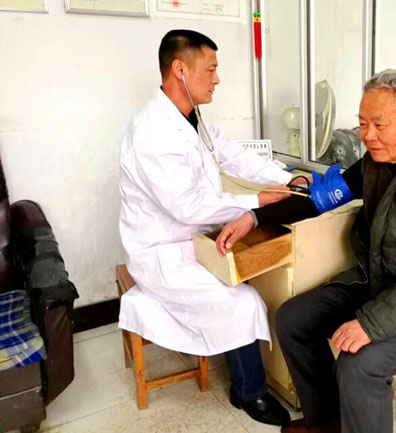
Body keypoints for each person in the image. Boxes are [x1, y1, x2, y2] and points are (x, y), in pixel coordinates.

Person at [216, 69, 396, 433]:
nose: (367, 135)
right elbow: (318, 200)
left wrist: (371, 323)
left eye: (379, 124)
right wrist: (254, 218)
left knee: (359, 363)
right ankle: (329, 423)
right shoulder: (374, 162)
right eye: (362, 123)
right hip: (376, 282)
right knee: (293, 319)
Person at [118, 29, 291, 426]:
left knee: (256, 271)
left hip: (195, 240)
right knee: (242, 301)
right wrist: (256, 203)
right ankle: (249, 391)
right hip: (163, 252)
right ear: (180, 70)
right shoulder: (152, 132)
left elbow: (234, 156)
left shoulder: (190, 118)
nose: (217, 79)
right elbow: (186, 206)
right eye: (211, 70)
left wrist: (287, 179)